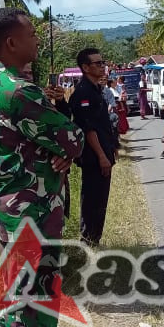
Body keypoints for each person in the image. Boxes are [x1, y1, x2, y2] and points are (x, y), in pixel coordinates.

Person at [0, 8, 85, 327]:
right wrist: (65, 150)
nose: (37, 40)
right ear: (11, 43)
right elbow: (73, 138)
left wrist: (59, 152)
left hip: (10, 201)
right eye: (31, 34)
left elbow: (49, 143)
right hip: (32, 207)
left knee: (15, 283)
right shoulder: (22, 93)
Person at [51, 48, 118, 248]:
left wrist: (111, 149)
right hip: (94, 158)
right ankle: (88, 241)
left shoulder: (96, 89)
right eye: (97, 63)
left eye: (102, 62)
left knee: (100, 201)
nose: (102, 66)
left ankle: (94, 240)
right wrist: (102, 157)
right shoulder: (83, 93)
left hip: (103, 153)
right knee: (92, 202)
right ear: (86, 67)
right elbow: (88, 130)